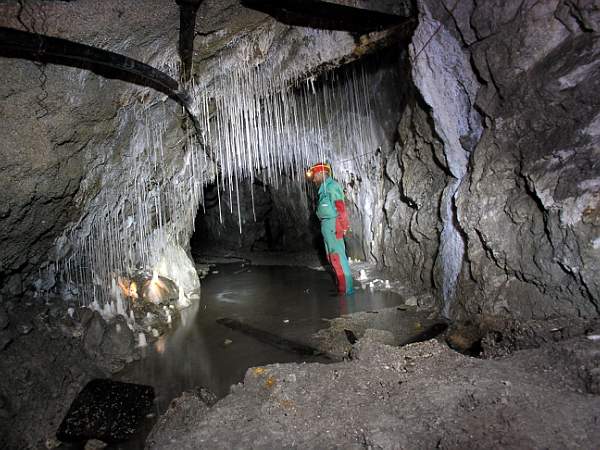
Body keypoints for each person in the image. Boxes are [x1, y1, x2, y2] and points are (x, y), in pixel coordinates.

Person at [306, 162, 354, 295]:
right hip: (327, 225)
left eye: (315, 176)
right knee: (331, 257)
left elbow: (340, 206)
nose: (314, 179)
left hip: (333, 225)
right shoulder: (324, 188)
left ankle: (346, 290)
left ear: (321, 173)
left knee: (337, 257)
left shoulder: (332, 186)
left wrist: (343, 226)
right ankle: (341, 287)